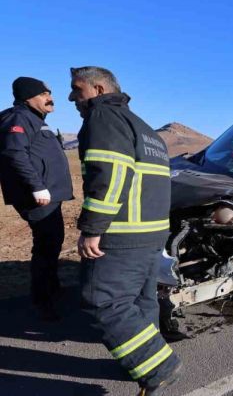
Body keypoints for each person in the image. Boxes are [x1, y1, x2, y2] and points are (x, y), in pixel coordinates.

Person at [69, 66, 181, 395]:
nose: (71, 97)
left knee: (102, 300)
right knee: (140, 302)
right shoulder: (144, 127)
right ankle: (142, 364)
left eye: (77, 89)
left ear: (99, 89)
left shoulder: (103, 118)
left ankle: (159, 366)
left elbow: (112, 174)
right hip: (152, 233)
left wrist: (92, 228)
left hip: (123, 235)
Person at [0, 77, 73, 321]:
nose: (50, 98)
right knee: (46, 246)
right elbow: (14, 152)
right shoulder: (18, 118)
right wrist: (37, 187)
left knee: (52, 243)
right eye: (44, 94)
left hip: (49, 196)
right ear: (28, 97)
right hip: (38, 197)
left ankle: (52, 289)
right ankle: (43, 301)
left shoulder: (35, 120)